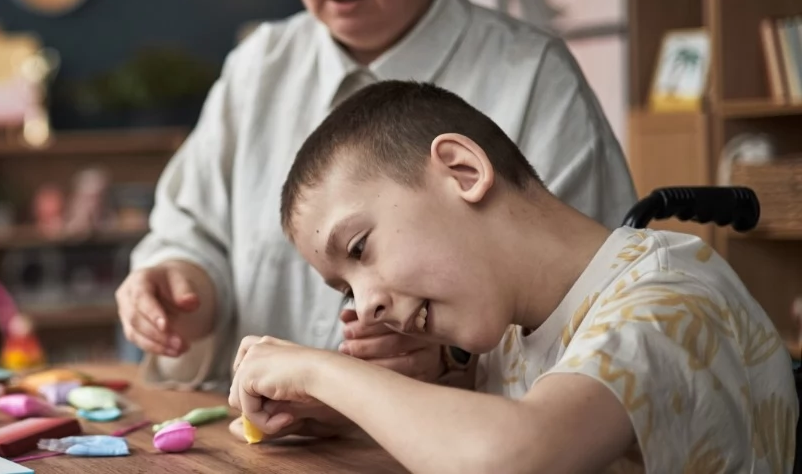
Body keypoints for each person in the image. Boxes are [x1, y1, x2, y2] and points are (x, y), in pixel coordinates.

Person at [117, 0, 636, 418]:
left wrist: (454, 363)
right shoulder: (256, 69)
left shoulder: (532, 78)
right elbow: (191, 234)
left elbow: (594, 311)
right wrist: (180, 286)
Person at [229, 80, 797, 472]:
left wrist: (322, 373)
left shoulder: (669, 299)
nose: (364, 306)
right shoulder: (512, 334)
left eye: (359, 247)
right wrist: (345, 416)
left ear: (463, 170)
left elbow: (514, 456)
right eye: (347, 290)